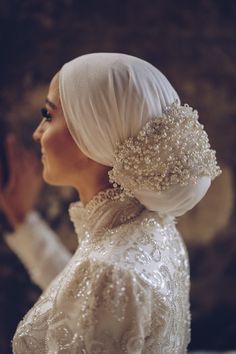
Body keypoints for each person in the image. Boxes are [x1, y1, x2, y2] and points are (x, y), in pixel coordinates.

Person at [1, 53, 221, 353]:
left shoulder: (112, 272)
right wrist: (25, 224)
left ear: (92, 134)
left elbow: (100, 289)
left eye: (49, 115)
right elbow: (81, 301)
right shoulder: (153, 226)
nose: (37, 132)